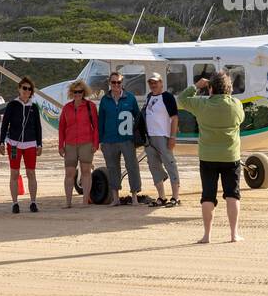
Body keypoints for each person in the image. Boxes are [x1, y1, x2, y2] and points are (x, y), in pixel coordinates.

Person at [176, 71, 244, 243]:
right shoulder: (236, 105)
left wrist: (197, 86)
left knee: (207, 196)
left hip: (207, 157)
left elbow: (181, 100)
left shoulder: (201, 104)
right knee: (232, 195)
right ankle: (233, 234)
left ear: (210, 88)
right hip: (230, 156)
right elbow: (241, 120)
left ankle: (207, 235)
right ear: (229, 88)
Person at [98, 71, 148, 205]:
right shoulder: (104, 100)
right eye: (113, 82)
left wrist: (139, 136)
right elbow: (101, 121)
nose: (116, 85)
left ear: (122, 83)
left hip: (127, 139)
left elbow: (138, 118)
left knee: (132, 166)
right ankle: (115, 198)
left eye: (118, 82)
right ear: (109, 83)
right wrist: (100, 140)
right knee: (112, 168)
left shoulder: (130, 98)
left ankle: (135, 197)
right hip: (109, 140)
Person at [0, 76, 43, 213]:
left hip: (30, 143)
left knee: (31, 173)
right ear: (19, 89)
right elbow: (5, 124)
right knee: (14, 173)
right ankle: (15, 203)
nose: (26, 91)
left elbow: (38, 127)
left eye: (29, 89)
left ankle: (33, 202)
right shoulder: (12, 105)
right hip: (14, 144)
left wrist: (39, 144)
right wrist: (1, 142)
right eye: (24, 88)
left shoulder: (34, 107)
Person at [58, 79, 99, 208]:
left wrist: (95, 143)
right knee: (69, 173)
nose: (77, 94)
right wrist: (61, 145)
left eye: (80, 92)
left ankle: (85, 201)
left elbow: (96, 126)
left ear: (84, 92)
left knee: (86, 171)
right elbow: (62, 127)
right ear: (71, 93)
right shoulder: (66, 107)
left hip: (86, 143)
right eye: (75, 92)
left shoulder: (90, 106)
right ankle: (68, 202)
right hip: (70, 144)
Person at [142, 72, 181, 207]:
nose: (153, 85)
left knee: (170, 164)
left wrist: (172, 136)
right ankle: (161, 197)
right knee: (154, 166)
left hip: (163, 136)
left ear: (161, 83)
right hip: (149, 137)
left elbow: (174, 118)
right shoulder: (148, 97)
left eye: (155, 82)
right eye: (151, 83)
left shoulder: (167, 97)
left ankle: (175, 196)